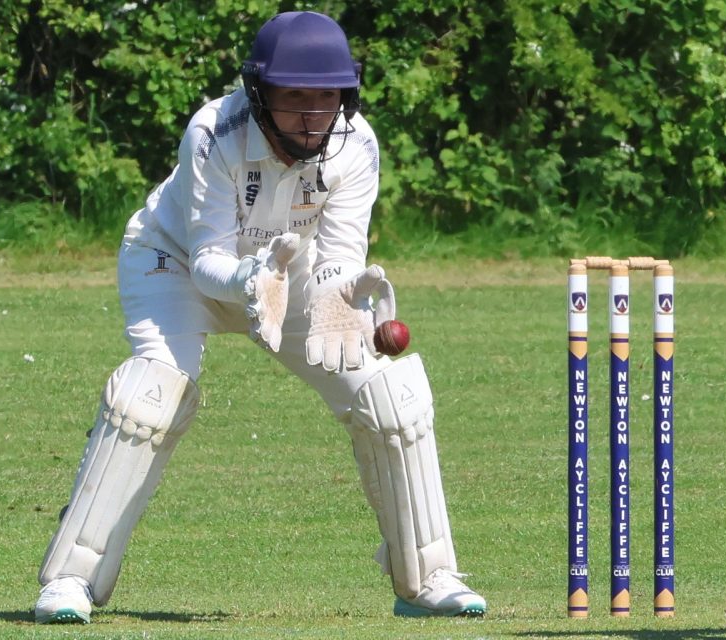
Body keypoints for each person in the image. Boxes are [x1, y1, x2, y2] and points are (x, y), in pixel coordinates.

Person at [33, 11, 486, 624]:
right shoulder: (215, 132)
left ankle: (427, 577)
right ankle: (70, 580)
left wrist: (345, 290)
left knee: (390, 397)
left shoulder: (357, 143)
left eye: (325, 97)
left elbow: (339, 255)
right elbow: (208, 259)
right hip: (174, 260)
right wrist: (254, 280)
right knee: (150, 397)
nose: (310, 114)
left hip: (294, 272)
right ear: (260, 93)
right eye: (294, 96)